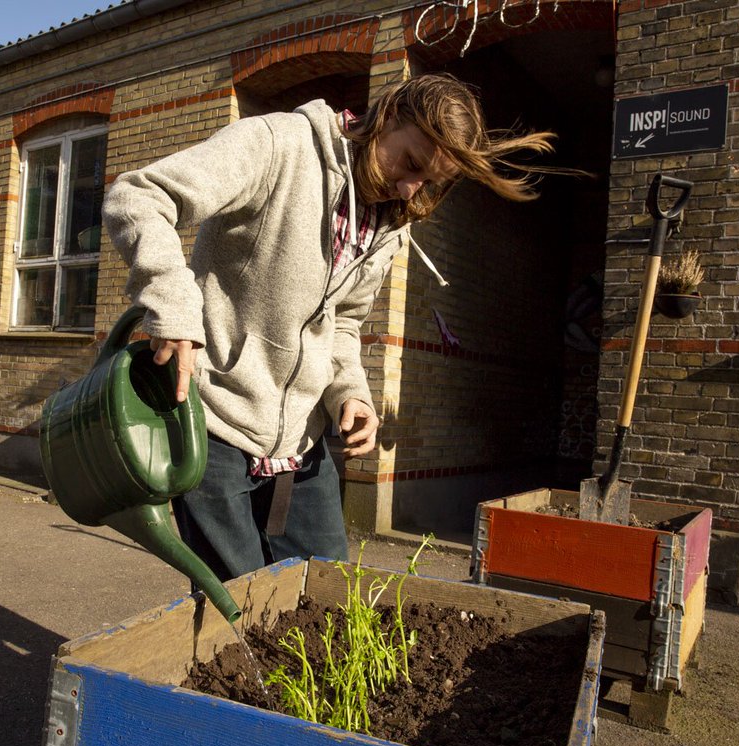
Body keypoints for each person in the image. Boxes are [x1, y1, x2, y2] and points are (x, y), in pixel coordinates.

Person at [103, 73, 556, 581]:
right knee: (237, 613)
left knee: (332, 594)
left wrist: (350, 394)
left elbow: (342, 322)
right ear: (385, 118)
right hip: (215, 423)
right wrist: (174, 307)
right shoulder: (277, 145)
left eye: (428, 182)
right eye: (409, 163)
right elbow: (139, 196)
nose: (411, 188)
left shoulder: (388, 222)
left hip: (301, 440)